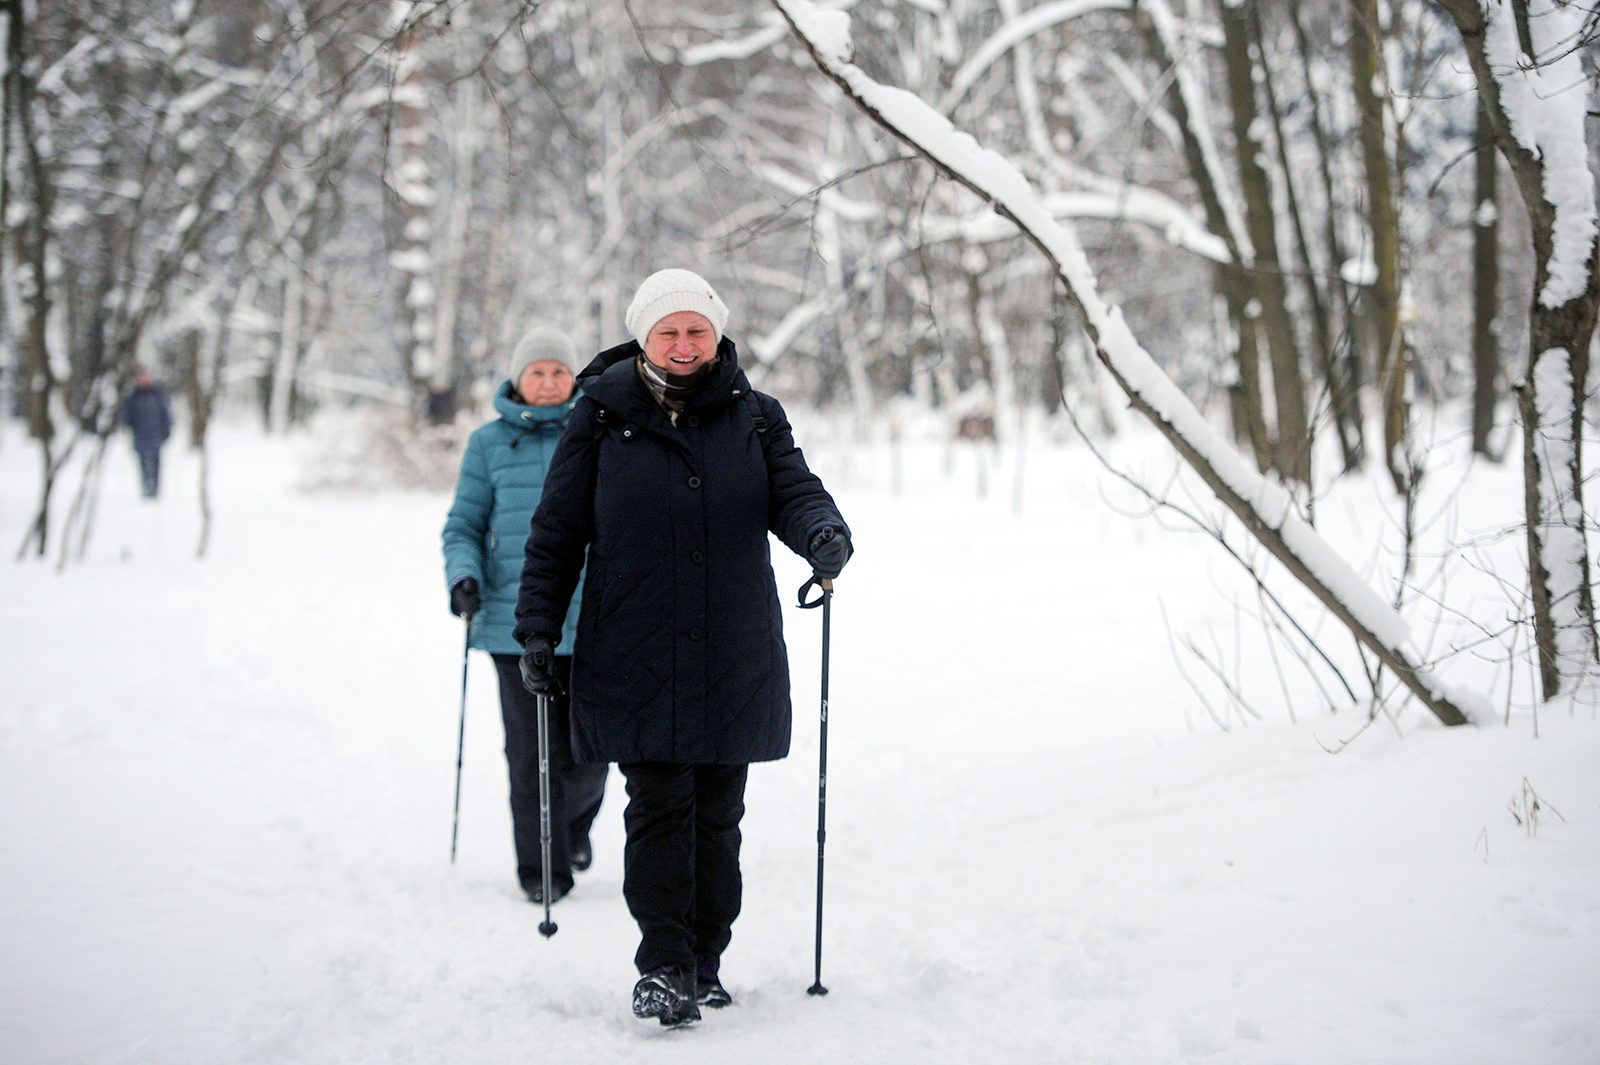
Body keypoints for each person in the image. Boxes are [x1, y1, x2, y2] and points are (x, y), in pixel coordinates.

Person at [513, 269, 853, 1027]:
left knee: (717, 816)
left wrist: (823, 534)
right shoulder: (599, 418)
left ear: (717, 333)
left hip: (733, 646)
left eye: (696, 329)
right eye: (669, 330)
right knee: (659, 806)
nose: (684, 343)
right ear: (643, 335)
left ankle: (706, 958)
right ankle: (663, 963)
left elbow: (795, 492)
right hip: (635, 646)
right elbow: (557, 531)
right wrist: (537, 626)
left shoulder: (756, 417)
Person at [441, 324, 609, 905]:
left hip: (593, 620)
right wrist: (464, 577)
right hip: (512, 624)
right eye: (536, 371)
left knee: (591, 752)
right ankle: (543, 867)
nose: (547, 382)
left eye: (558, 372)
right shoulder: (488, 444)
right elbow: (463, 524)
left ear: (573, 379)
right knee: (530, 751)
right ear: (517, 378)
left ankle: (572, 829)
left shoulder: (601, 434)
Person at [120, 368, 174, 498]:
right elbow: (126, 415)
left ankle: (155, 487)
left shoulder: (157, 395)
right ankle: (146, 487)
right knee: (143, 462)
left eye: (145, 378)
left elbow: (165, 413)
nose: (143, 380)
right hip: (140, 435)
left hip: (156, 434)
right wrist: (127, 423)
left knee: (155, 462)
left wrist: (167, 428)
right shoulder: (133, 397)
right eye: (141, 378)